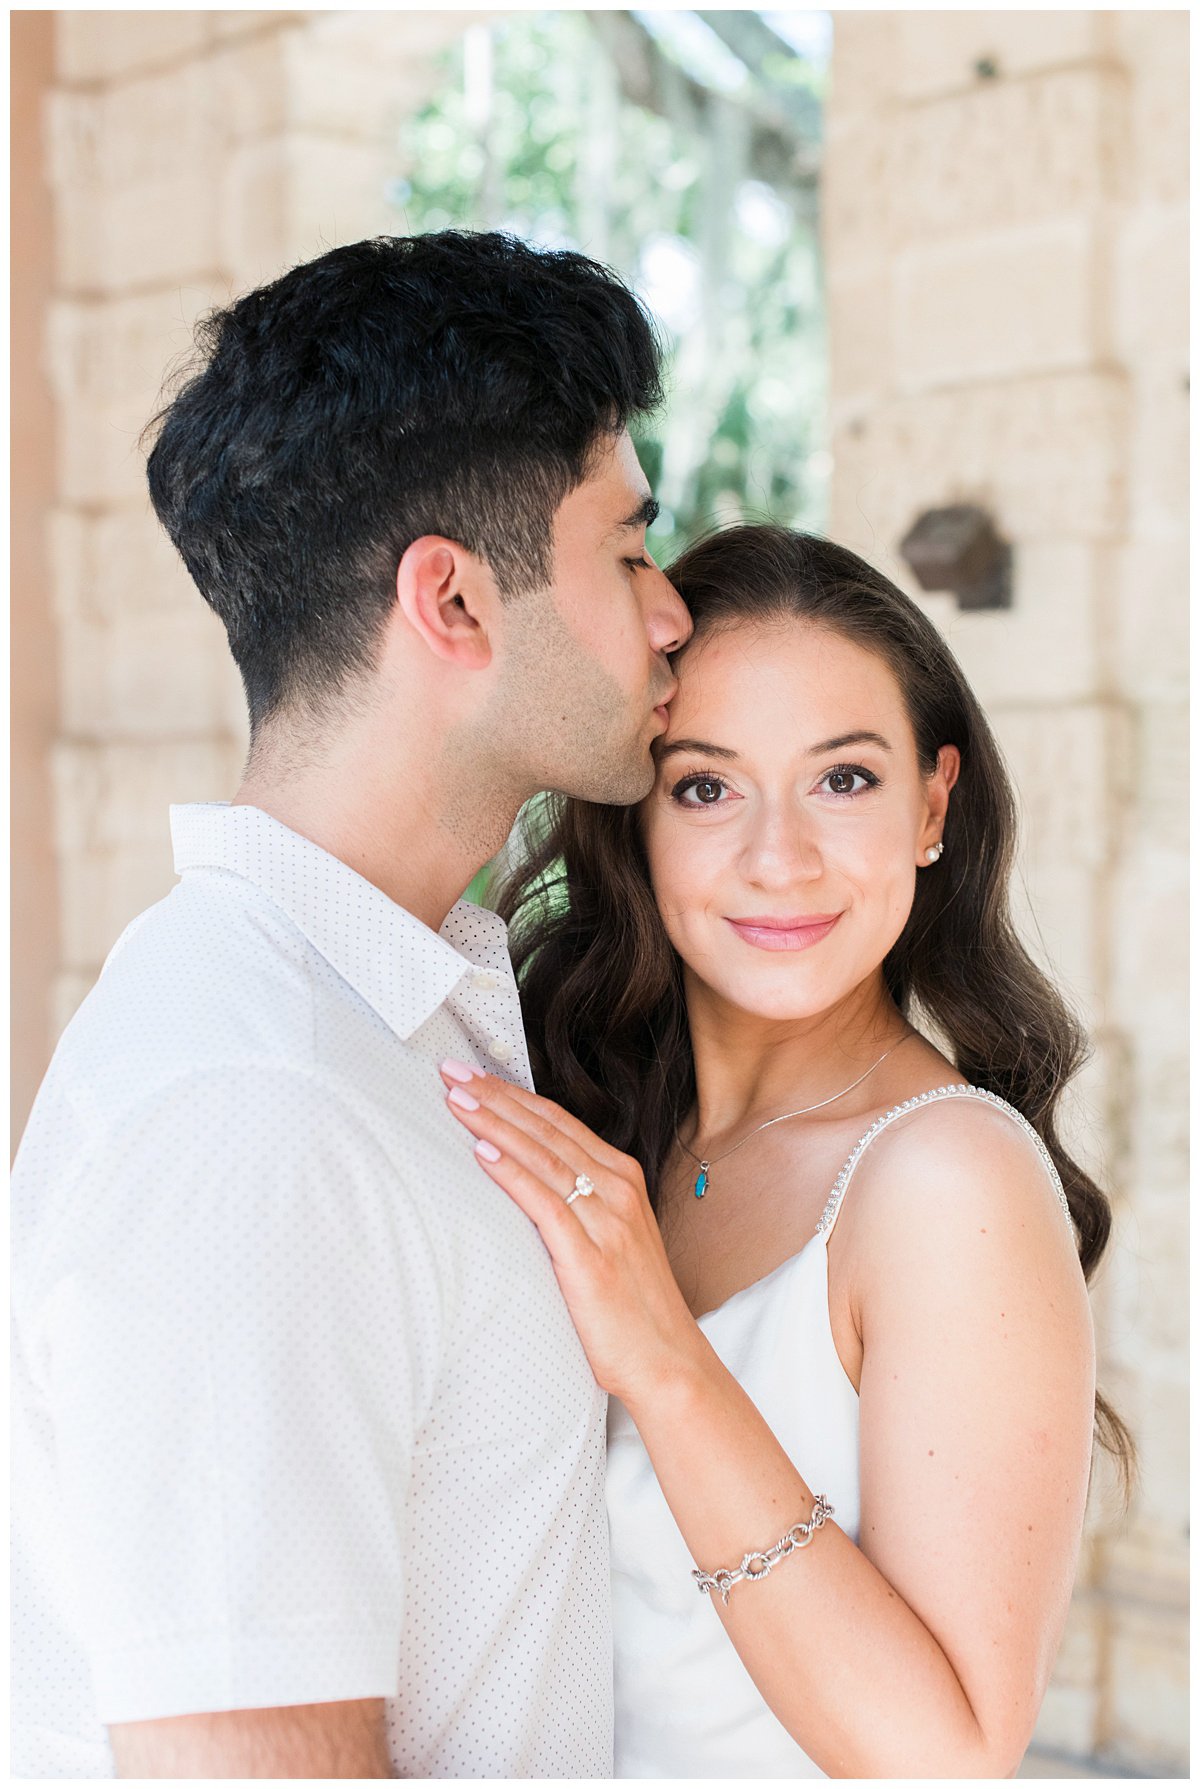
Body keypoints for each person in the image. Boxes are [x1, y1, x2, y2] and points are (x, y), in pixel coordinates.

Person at [11, 230, 692, 1779]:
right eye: (630, 551)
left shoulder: (391, 1008)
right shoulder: (255, 1099)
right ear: (451, 601)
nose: (672, 617)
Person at [439, 524, 1134, 1777]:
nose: (779, 857)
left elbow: (947, 1755)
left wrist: (667, 1363)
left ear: (933, 802)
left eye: (844, 779)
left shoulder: (945, 1181)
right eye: (706, 786)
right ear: (636, 818)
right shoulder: (598, 1118)